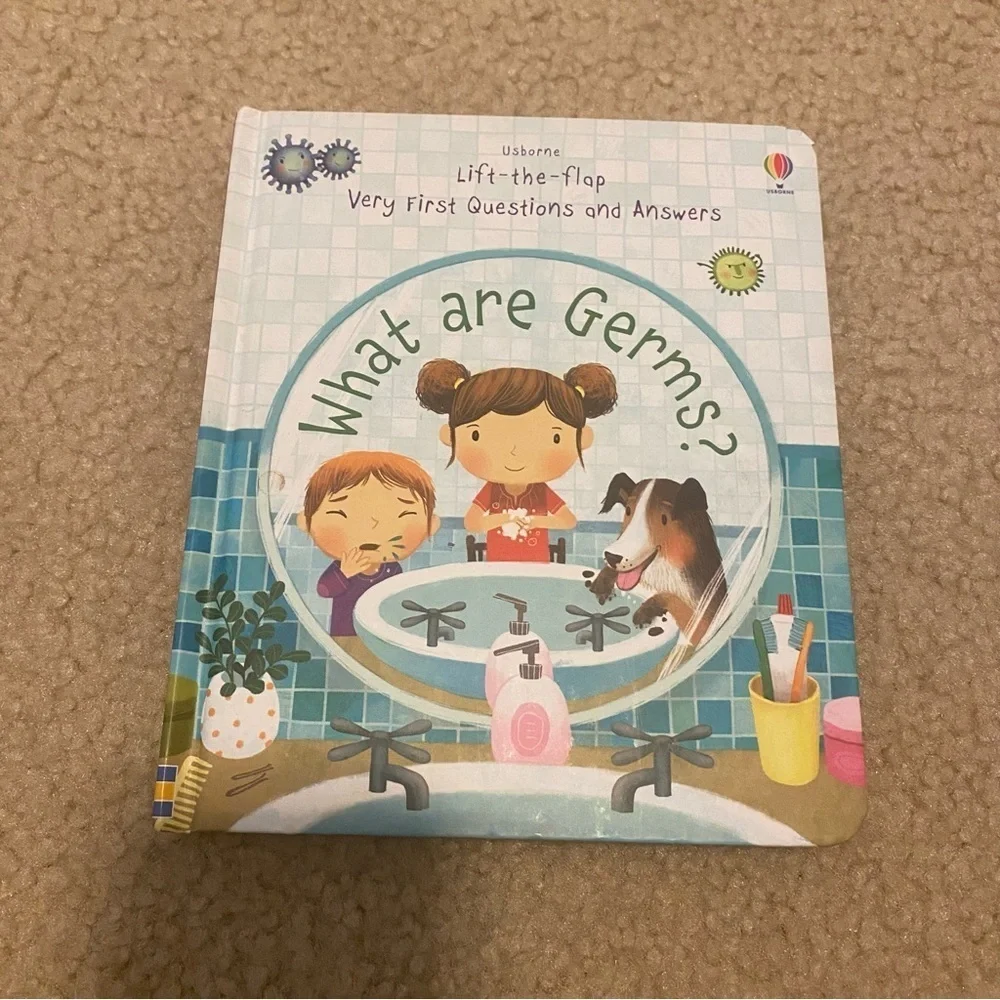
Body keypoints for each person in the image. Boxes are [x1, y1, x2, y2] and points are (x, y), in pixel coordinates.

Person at [416, 360, 617, 562]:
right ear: (449, 436)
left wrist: (534, 521)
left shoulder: (540, 491)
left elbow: (568, 521)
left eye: (554, 437)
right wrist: (503, 519)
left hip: (536, 565)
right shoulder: (492, 490)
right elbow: (472, 523)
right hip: (497, 565)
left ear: (582, 439)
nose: (514, 451)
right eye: (477, 435)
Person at [296, 451, 439, 637]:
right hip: (345, 634)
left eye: (399, 515)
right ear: (306, 522)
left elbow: (394, 598)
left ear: (431, 525)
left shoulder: (392, 568)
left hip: (381, 634)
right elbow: (324, 590)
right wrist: (344, 574)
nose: (372, 526)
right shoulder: (341, 567)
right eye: (342, 513)